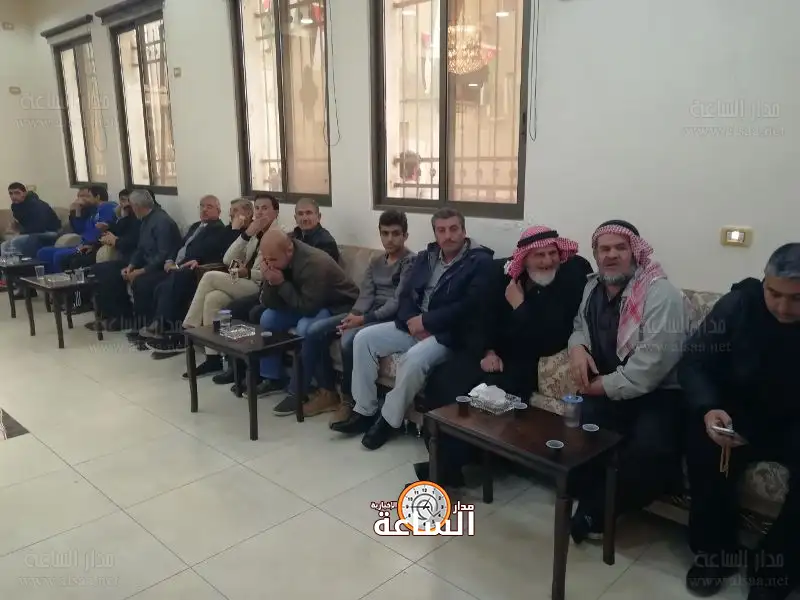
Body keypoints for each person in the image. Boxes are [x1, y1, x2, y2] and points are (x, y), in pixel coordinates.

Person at [416, 225, 593, 484]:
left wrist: (519, 306)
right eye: (539, 255)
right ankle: (443, 461)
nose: (547, 261)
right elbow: (480, 318)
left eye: (552, 254)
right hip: (491, 352)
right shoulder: (502, 277)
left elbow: (549, 339)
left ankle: (446, 470)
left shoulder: (567, 282)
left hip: (522, 360)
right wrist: (487, 350)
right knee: (443, 380)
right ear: (524, 259)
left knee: (485, 397)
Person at [680, 243, 800, 600]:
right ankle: (715, 555)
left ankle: (774, 570)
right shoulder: (739, 305)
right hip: (735, 415)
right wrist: (709, 408)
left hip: (792, 423)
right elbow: (695, 362)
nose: (783, 307)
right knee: (704, 450)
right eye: (774, 294)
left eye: (796, 299)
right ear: (764, 282)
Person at [331, 208, 494, 450]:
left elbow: (469, 306)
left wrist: (427, 321)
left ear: (464, 231)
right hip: (414, 326)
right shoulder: (426, 257)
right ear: (435, 233)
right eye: (441, 230)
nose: (448, 236)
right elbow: (406, 295)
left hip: (448, 334)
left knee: (413, 359)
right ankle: (364, 411)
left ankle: (388, 420)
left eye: (453, 229)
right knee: (363, 338)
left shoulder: (479, 262)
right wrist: (411, 320)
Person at [567, 219, 688, 543]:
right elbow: (579, 325)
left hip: (658, 393)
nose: (611, 255)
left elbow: (651, 367)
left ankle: (596, 512)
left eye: (620, 248)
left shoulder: (661, 294)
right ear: (595, 254)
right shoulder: (592, 287)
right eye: (604, 249)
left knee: (650, 452)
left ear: (634, 252)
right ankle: (590, 498)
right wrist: (577, 349)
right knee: (581, 434)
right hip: (608, 384)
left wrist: (599, 387)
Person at [295, 209, 414, 420]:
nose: (390, 239)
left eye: (396, 234)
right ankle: (326, 391)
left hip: (388, 319)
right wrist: (353, 316)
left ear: (405, 236)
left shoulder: (411, 263)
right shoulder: (376, 262)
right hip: (366, 314)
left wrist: (362, 320)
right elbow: (366, 295)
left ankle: (348, 400)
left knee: (348, 340)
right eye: (385, 233)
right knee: (315, 330)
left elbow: (398, 302)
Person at [250, 229, 359, 416]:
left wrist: (280, 283)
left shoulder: (314, 263)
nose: (269, 264)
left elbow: (308, 308)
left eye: (272, 260)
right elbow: (270, 303)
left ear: (289, 251)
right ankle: (272, 377)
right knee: (268, 317)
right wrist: (270, 280)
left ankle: (298, 391)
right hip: (308, 302)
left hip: (337, 306)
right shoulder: (277, 260)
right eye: (266, 260)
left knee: (306, 328)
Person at [181, 194, 280, 378]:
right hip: (246, 281)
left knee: (210, 276)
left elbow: (272, 274)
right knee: (213, 298)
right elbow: (228, 259)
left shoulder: (279, 235)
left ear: (275, 213)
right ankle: (213, 358)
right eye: (257, 208)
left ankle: (190, 326)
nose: (260, 212)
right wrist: (246, 234)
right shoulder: (255, 232)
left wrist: (247, 272)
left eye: (265, 208)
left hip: (263, 287)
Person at [139, 195, 232, 352]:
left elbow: (208, 252)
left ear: (219, 210)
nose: (204, 209)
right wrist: (170, 260)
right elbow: (180, 246)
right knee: (147, 281)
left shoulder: (219, 230)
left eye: (209, 207)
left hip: (193, 271)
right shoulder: (195, 226)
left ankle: (168, 331)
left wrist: (188, 263)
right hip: (176, 266)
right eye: (202, 206)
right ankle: (150, 325)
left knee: (170, 285)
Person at [91, 189, 182, 331]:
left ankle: (141, 324)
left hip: (159, 267)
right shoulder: (145, 220)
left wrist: (140, 271)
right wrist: (131, 266)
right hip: (144, 262)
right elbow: (140, 249)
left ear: (137, 206)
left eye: (132, 206)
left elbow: (163, 255)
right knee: (102, 270)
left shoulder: (162, 222)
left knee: (141, 282)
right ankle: (118, 317)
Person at [37, 186, 117, 273]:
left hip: (90, 246)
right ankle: (48, 279)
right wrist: (77, 210)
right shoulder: (92, 210)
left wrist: (92, 244)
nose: (82, 199)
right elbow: (79, 230)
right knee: (43, 252)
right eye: (79, 196)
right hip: (81, 244)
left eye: (88, 196)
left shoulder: (108, 208)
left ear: (97, 197)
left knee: (59, 255)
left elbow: (103, 230)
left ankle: (59, 280)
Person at [1, 182, 61, 258]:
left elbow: (39, 227)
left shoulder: (37, 205)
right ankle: (6, 264)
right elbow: (23, 223)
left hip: (49, 232)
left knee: (16, 242)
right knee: (4, 245)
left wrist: (19, 232)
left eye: (17, 193)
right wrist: (15, 226)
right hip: (32, 233)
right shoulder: (15, 206)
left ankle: (20, 263)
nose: (13, 196)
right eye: (11, 193)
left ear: (24, 193)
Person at [291, 197, 340, 263]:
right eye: (300, 214)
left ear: (319, 217)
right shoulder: (293, 236)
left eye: (309, 213)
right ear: (295, 218)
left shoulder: (326, 242)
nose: (305, 218)